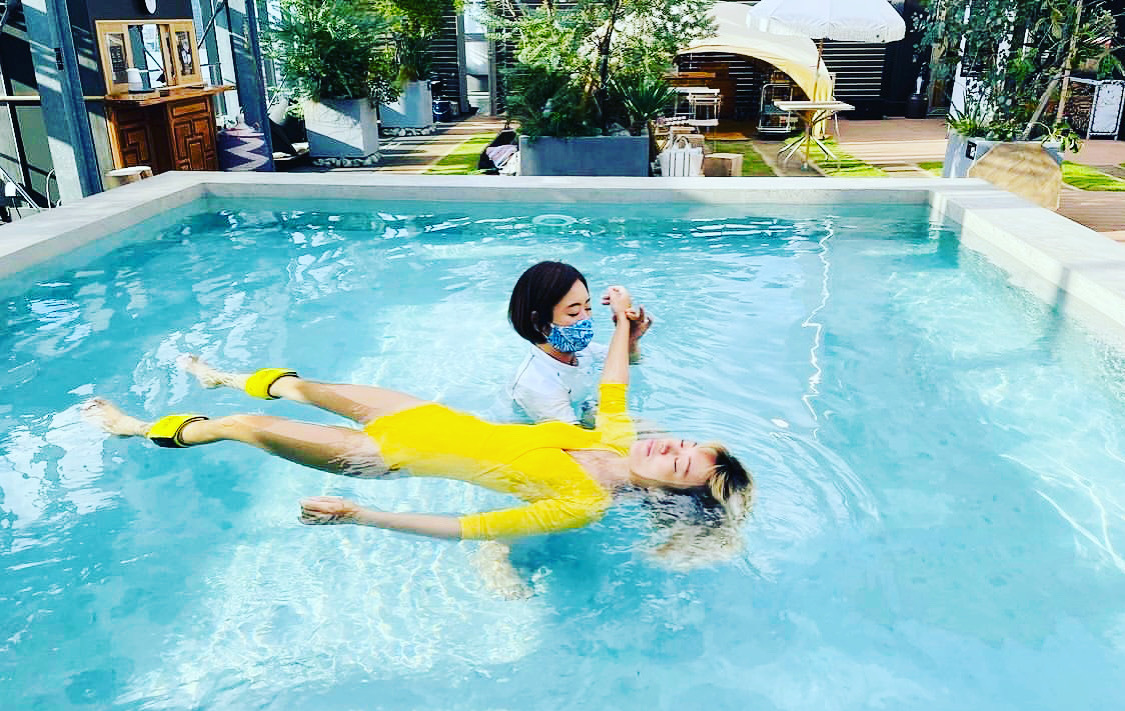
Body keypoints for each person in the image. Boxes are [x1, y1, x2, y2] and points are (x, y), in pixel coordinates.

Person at [83, 286, 752, 582]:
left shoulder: (584, 503)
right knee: (303, 386)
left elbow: (467, 530)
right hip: (419, 413)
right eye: (688, 443)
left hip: (381, 457)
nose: (674, 447)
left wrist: (362, 514)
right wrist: (622, 324)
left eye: (683, 464)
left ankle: (133, 429)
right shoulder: (613, 438)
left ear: (668, 494)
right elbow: (614, 382)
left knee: (245, 428)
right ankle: (223, 376)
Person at [508, 261, 652, 425]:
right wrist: (622, 321)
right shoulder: (536, 384)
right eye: (573, 312)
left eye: (588, 308)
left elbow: (628, 362)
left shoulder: (583, 352)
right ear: (539, 322)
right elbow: (580, 440)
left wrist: (630, 340)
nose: (585, 318)